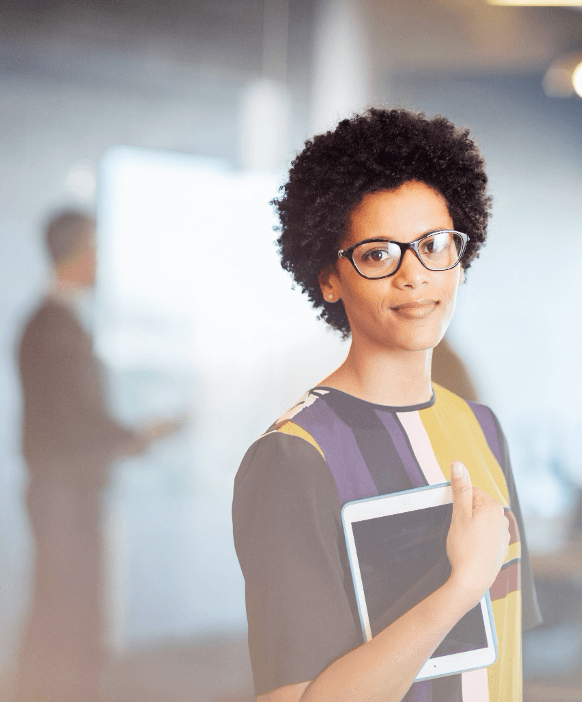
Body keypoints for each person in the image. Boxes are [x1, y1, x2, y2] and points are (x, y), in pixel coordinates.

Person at [232, 108, 541, 702]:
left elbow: (501, 665)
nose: (415, 276)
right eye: (378, 254)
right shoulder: (293, 460)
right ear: (329, 277)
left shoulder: (482, 429)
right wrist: (457, 589)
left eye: (433, 245)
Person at [15, 209, 180, 702]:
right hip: (65, 493)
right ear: (78, 254)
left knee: (59, 610)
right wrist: (141, 435)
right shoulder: (54, 326)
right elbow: (78, 422)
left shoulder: (50, 323)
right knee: (66, 617)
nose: (101, 260)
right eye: (96, 248)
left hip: (64, 491)